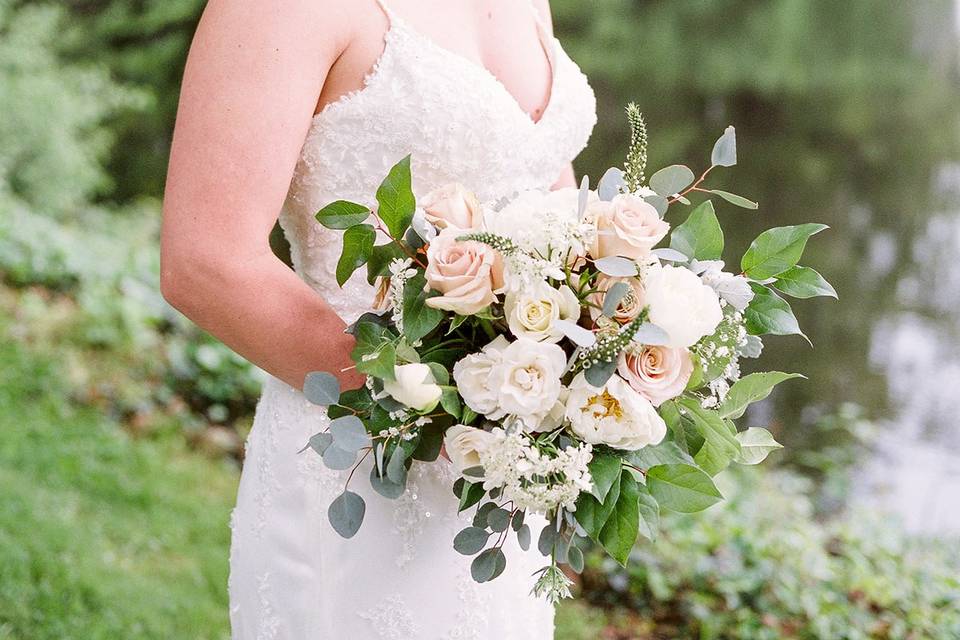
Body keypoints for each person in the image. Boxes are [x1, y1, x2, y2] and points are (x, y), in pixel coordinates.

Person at [160, 0, 596, 637]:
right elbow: (206, 262)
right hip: (355, 452)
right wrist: (440, 409)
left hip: (502, 483)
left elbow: (552, 216)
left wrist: (587, 367)